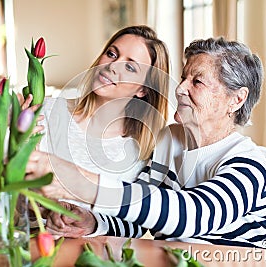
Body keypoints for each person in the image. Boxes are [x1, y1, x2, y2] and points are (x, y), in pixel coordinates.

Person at [25, 37, 266, 249]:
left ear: (236, 100)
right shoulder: (170, 139)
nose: (180, 88)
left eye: (197, 81)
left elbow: (189, 217)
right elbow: (142, 217)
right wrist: (93, 223)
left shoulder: (247, 164)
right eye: (183, 78)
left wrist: (83, 183)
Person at [22, 25, 170, 235]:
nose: (112, 67)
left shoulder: (145, 149)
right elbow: (12, 198)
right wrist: (45, 210)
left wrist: (92, 223)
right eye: (111, 54)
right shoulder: (44, 112)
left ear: (143, 89)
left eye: (130, 67)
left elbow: (137, 223)